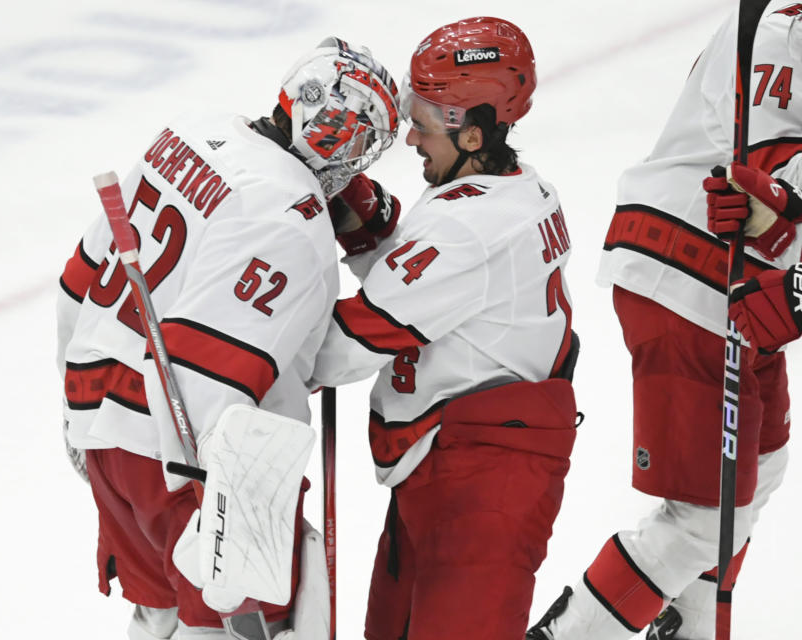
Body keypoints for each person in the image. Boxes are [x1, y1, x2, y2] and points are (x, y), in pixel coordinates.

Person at [55, 38, 400, 640]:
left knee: (156, 617)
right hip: (186, 460)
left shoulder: (196, 132)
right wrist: (228, 520)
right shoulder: (288, 217)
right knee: (224, 629)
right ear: (332, 128)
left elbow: (79, 278)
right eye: (362, 138)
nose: (361, 160)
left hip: (104, 420)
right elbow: (203, 376)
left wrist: (72, 409)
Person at [527, 4, 802, 639]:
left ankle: (690, 625)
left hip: (746, 279)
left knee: (764, 467)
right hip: (695, 268)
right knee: (707, 515)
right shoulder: (780, 30)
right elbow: (763, 191)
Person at [308, 17, 580, 639]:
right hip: (457, 460)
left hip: (482, 485)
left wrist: (240, 346)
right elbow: (434, 290)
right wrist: (363, 219)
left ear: (475, 131)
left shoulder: (468, 229)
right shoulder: (514, 189)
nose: (409, 137)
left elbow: (343, 350)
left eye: (423, 124)